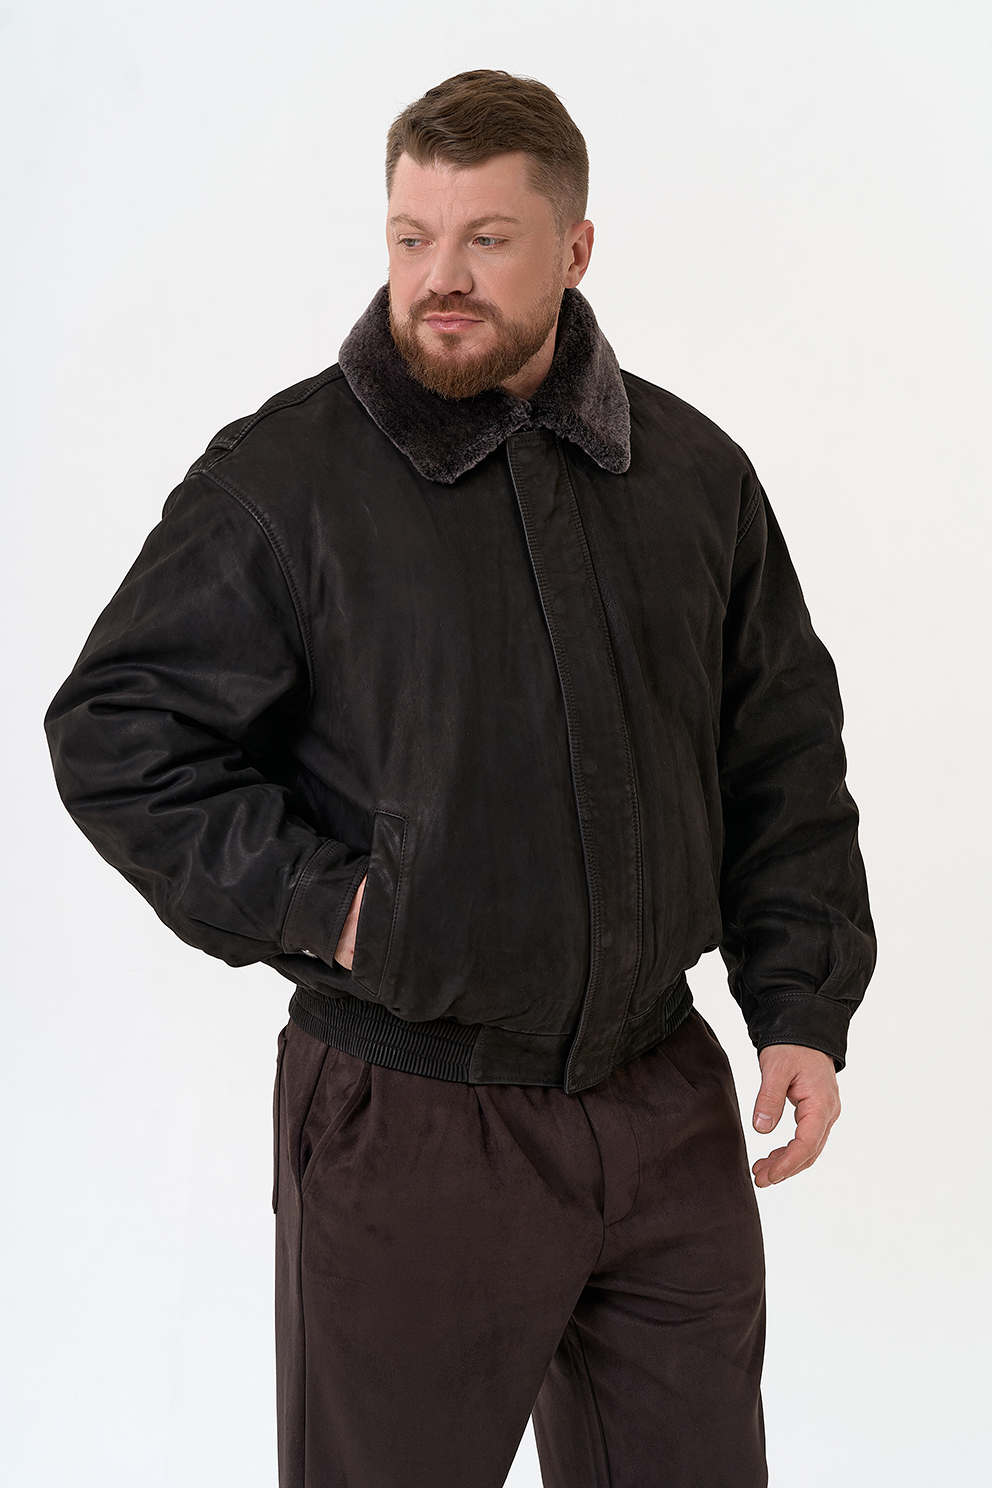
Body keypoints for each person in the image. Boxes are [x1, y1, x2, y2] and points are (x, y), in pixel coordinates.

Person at [45, 69, 875, 1488]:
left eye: (487, 239)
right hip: (412, 1118)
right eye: (411, 236)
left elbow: (778, 743)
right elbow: (119, 730)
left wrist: (800, 1003)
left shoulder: (691, 472)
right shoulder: (287, 478)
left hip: (662, 1105)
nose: (441, 278)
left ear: (576, 248)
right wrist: (332, 906)